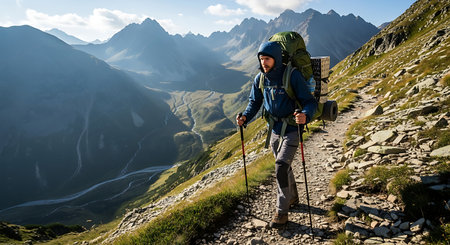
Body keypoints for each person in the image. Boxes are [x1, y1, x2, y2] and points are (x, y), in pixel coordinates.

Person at [236, 41, 317, 228]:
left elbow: (309, 102)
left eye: (267, 59)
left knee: (280, 166)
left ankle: (281, 213)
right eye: (261, 59)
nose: (264, 62)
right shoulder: (260, 79)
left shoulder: (292, 75)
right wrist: (245, 117)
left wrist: (305, 115)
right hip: (273, 129)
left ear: (277, 59)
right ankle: (293, 198)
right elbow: (254, 102)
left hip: (291, 129)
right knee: (284, 166)